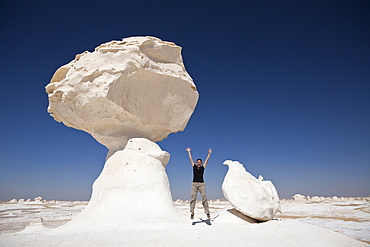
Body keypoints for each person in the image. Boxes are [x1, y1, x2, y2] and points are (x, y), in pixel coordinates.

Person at [186, 147, 212, 219]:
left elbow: (207, 160)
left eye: (200, 162)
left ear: (201, 163)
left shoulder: (203, 167)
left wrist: (209, 153)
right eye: (198, 162)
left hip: (201, 184)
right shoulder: (194, 167)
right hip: (194, 184)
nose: (199, 163)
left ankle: (207, 212)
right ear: (196, 163)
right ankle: (192, 212)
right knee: (193, 198)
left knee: (204, 197)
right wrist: (189, 152)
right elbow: (191, 159)